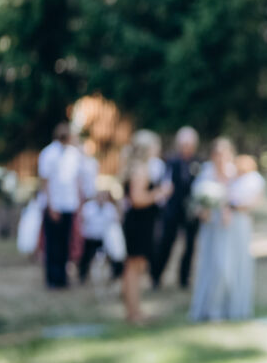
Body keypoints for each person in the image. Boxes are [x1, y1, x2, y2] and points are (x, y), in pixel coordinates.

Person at [120, 130, 172, 323]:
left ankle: (135, 309)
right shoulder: (141, 170)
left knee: (136, 267)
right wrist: (160, 192)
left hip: (141, 222)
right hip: (139, 223)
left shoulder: (136, 167)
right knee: (134, 268)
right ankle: (133, 312)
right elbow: (137, 199)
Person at [189, 137, 236, 322]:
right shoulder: (206, 171)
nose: (220, 157)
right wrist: (204, 210)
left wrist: (228, 209)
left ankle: (226, 307)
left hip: (228, 226)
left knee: (226, 267)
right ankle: (208, 308)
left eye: (223, 154)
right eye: (217, 154)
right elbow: (197, 200)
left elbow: (239, 197)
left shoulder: (233, 172)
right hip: (210, 225)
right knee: (210, 265)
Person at [151, 126, 202, 290]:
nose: (186, 147)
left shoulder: (198, 162)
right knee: (166, 243)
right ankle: (156, 275)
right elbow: (163, 184)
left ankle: (184, 278)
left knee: (189, 245)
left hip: (191, 210)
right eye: (183, 144)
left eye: (189, 144)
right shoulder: (171, 162)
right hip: (172, 209)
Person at [37, 123, 87, 288]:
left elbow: (76, 180)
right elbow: (45, 181)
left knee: (66, 241)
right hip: (54, 204)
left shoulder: (74, 154)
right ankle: (52, 278)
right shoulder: (48, 153)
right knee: (53, 242)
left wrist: (79, 202)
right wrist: (51, 205)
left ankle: (63, 277)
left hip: (69, 203)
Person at [223, 154, 264, 320]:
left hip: (241, 223)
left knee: (240, 259)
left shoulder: (254, 180)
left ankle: (239, 302)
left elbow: (255, 202)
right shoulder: (232, 179)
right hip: (227, 224)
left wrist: (234, 206)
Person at [78, 185, 121, 284]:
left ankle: (115, 275)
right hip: (90, 238)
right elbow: (82, 221)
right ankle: (82, 275)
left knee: (114, 254)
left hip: (104, 239)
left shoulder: (110, 208)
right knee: (86, 257)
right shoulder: (88, 207)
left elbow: (116, 222)